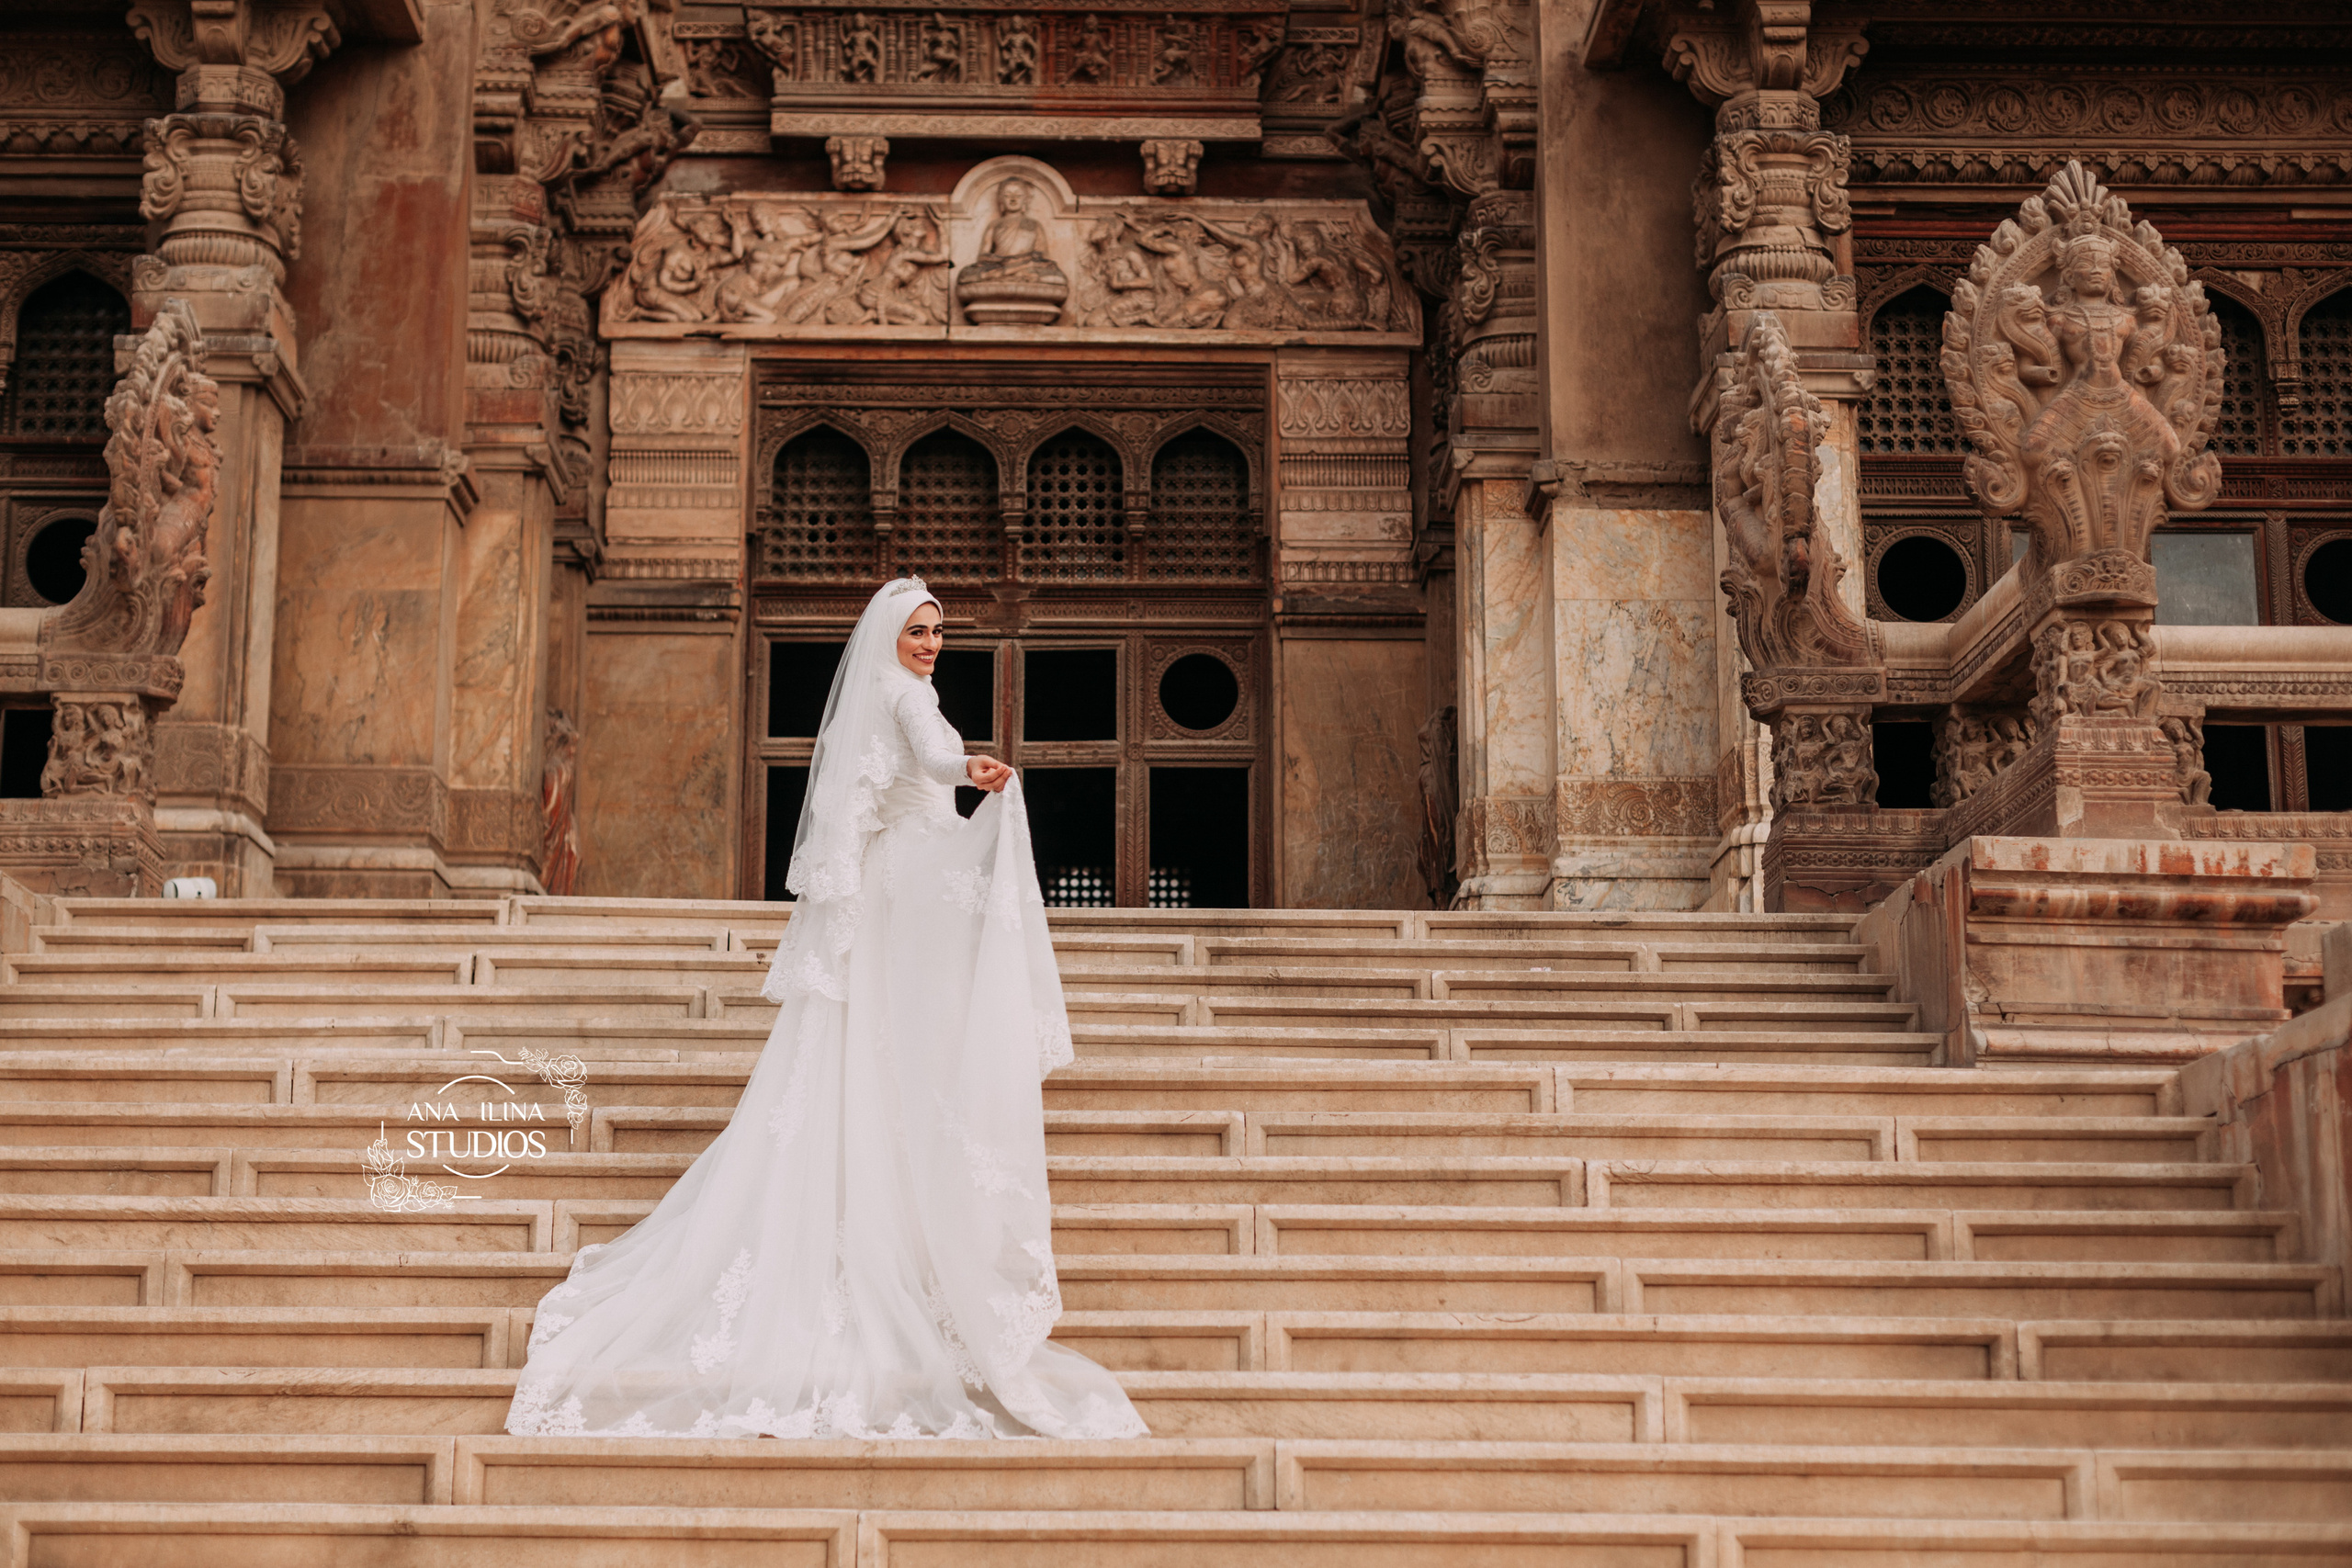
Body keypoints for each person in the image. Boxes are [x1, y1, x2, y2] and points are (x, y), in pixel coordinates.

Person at [505, 577, 1148, 1441]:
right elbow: (929, 760)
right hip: (909, 882)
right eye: (919, 630)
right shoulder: (906, 696)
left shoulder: (893, 694)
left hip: (890, 888)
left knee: (873, 1060)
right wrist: (973, 768)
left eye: (938, 631)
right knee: (900, 1056)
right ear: (889, 635)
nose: (931, 643)